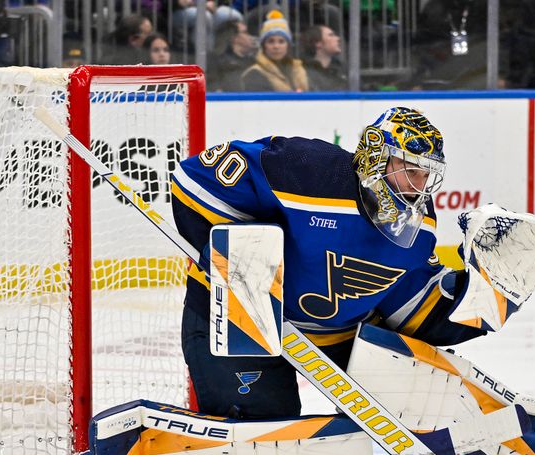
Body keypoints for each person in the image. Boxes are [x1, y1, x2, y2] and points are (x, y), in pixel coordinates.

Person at [171, 107, 496, 420]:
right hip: (242, 322)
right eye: (410, 170)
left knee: (431, 404)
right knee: (264, 432)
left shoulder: (420, 227)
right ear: (376, 156)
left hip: (338, 339)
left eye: (427, 174)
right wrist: (244, 268)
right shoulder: (303, 170)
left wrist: (486, 297)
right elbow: (194, 182)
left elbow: (412, 309)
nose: (419, 187)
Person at [240, 10, 308, 92]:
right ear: (263, 46)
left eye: (281, 41)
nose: (276, 46)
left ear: (288, 45)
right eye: (271, 41)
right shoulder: (254, 73)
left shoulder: (298, 69)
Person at [207, 19, 256, 92]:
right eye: (245, 32)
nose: (250, 36)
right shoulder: (215, 61)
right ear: (234, 38)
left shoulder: (253, 61)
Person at [300, 24, 347, 92]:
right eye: (331, 35)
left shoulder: (343, 69)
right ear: (318, 43)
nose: (338, 39)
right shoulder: (302, 72)